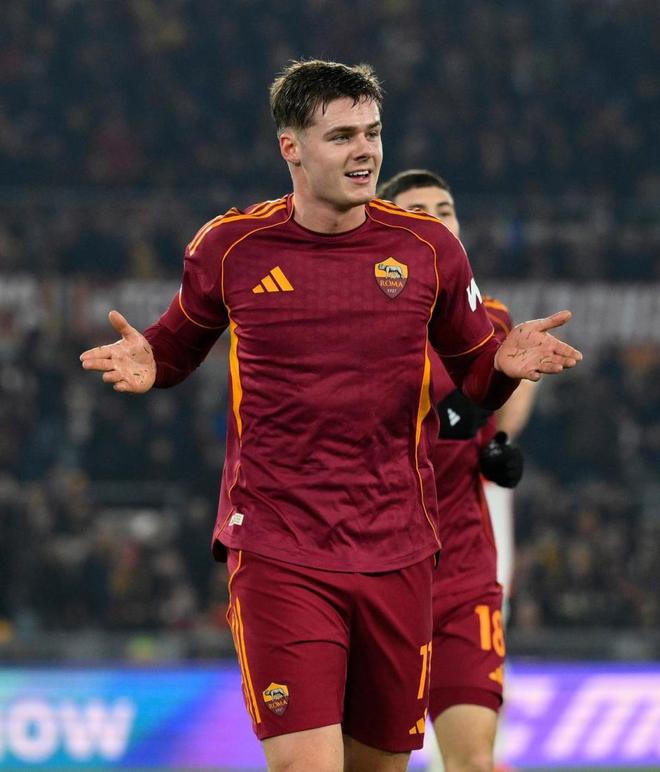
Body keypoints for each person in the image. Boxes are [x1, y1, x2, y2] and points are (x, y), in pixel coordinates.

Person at [80, 61, 581, 772]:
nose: (365, 151)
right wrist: (151, 362)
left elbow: (475, 375)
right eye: (342, 136)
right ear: (291, 147)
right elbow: (177, 343)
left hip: (398, 547)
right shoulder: (231, 246)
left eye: (372, 133)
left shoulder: (429, 249)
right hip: (280, 544)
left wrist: (502, 366)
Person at [378, 169, 534, 772]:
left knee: (473, 760)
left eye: (445, 209)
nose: (438, 219)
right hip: (380, 570)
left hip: (464, 572)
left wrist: (496, 445)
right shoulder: (359, 325)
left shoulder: (489, 319)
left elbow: (502, 405)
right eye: (419, 211)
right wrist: (444, 418)